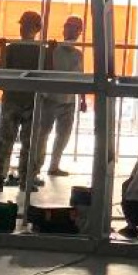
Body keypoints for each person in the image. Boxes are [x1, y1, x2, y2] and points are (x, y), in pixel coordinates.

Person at [0, 10, 46, 195]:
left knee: (28, 144)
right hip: (13, 101)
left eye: (27, 25)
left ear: (37, 28)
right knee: (5, 142)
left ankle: (25, 180)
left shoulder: (41, 50)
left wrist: (52, 51)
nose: (23, 28)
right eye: (22, 25)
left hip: (30, 101)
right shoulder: (13, 48)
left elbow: (49, 75)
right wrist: (3, 50)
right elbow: (0, 71)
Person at [45, 17, 89, 177]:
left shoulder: (78, 54)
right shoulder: (53, 50)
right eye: (69, 26)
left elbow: (80, 77)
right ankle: (35, 168)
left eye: (76, 28)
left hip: (69, 101)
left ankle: (54, 166)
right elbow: (45, 72)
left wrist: (83, 99)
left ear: (80, 32)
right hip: (50, 98)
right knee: (42, 134)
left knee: (63, 135)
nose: (72, 30)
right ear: (63, 29)